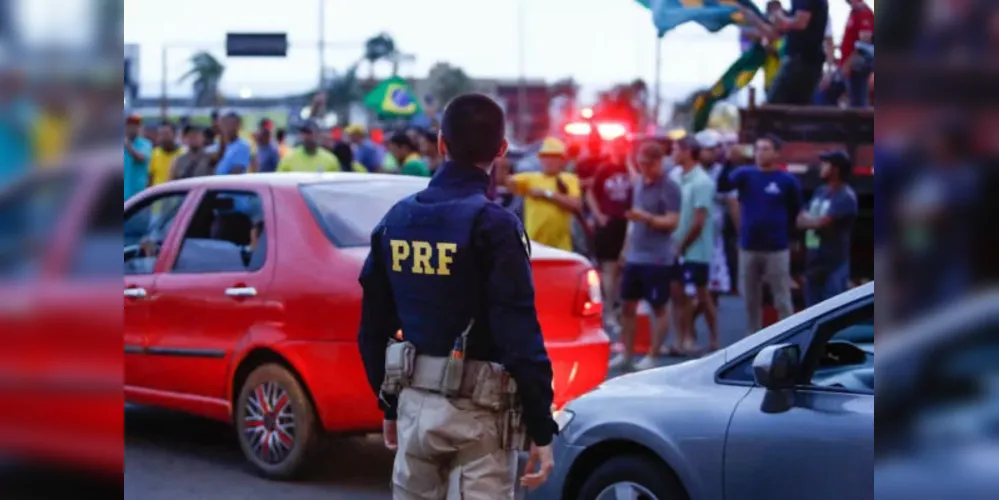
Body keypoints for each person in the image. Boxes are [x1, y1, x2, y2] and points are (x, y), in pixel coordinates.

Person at [357, 93, 556, 499]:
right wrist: (541, 426)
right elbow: (519, 336)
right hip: (480, 419)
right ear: (501, 150)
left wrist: (390, 407)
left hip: (415, 410)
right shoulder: (495, 226)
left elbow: (371, 329)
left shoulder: (396, 219)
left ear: (441, 143)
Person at [609, 141, 682, 371]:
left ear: (659, 162)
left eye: (649, 165)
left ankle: (653, 355)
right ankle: (627, 354)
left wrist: (647, 218)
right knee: (628, 305)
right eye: (641, 164)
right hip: (635, 255)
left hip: (658, 257)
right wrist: (625, 249)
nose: (644, 169)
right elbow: (633, 222)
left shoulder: (670, 186)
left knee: (659, 306)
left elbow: (673, 221)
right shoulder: (639, 181)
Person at [728, 135, 802, 334]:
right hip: (749, 247)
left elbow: (795, 209)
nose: (760, 153)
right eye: (758, 148)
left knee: (782, 297)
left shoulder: (786, 180)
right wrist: (729, 159)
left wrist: (786, 234)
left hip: (776, 248)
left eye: (766, 149)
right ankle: (754, 337)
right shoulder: (745, 175)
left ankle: (788, 336)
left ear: (776, 153)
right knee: (750, 298)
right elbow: (723, 185)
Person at [671, 137, 719, 354]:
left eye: (675, 149)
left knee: (700, 295)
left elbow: (699, 220)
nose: (672, 153)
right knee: (679, 294)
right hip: (678, 246)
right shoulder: (678, 178)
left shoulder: (702, 181)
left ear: (687, 152)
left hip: (696, 250)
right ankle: (682, 339)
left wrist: (682, 245)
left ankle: (711, 339)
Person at [797, 150, 858, 306]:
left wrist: (811, 221)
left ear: (835, 169)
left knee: (831, 309)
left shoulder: (845, 196)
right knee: (811, 311)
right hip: (813, 262)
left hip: (834, 264)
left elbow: (824, 223)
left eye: (825, 164)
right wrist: (814, 221)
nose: (821, 167)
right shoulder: (820, 192)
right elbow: (799, 220)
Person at [585, 138, 632, 334]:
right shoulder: (604, 169)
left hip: (627, 222)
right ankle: (610, 311)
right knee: (609, 268)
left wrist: (630, 164)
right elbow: (590, 192)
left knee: (622, 269)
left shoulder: (632, 169)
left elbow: (638, 187)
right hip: (609, 223)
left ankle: (619, 308)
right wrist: (598, 215)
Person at [503, 138, 583, 252]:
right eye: (546, 157)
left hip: (561, 246)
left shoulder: (569, 179)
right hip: (533, 245)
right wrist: (504, 164)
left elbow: (576, 205)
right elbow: (506, 182)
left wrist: (546, 194)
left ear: (562, 160)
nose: (549, 161)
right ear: (540, 159)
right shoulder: (530, 178)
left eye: (554, 157)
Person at [761, 0, 830, 104]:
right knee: (798, 106)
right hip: (808, 60)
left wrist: (780, 16)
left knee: (774, 106)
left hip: (801, 59)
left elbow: (801, 22)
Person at [277, 123, 341, 173]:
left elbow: (336, 185)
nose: (308, 137)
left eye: (310, 132)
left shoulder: (331, 160)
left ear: (318, 134)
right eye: (305, 133)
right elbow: (278, 182)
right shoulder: (288, 159)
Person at [124, 114, 153, 200]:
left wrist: (127, 145)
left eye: (136, 126)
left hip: (138, 196)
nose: (133, 128)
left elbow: (140, 158)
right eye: (130, 126)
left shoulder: (146, 144)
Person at [147, 122, 182, 187]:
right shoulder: (155, 153)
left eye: (166, 134)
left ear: (175, 134)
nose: (163, 137)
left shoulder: (182, 153)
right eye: (161, 134)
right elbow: (150, 177)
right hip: (158, 194)